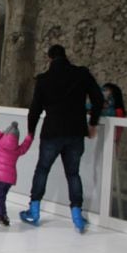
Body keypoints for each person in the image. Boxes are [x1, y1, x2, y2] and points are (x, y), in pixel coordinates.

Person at [20, 44, 104, 233]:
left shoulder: (44, 79)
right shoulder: (81, 74)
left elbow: (35, 109)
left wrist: (31, 131)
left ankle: (34, 211)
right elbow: (98, 98)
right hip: (75, 132)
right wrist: (92, 123)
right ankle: (77, 216)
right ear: (66, 56)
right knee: (73, 173)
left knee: (42, 170)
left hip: (52, 131)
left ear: (49, 58)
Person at [0, 121, 33, 226]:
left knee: (1, 198)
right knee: (2, 197)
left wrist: (0, 132)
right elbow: (25, 147)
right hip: (9, 178)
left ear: (5, 134)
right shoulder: (16, 150)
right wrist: (29, 137)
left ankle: (3, 214)